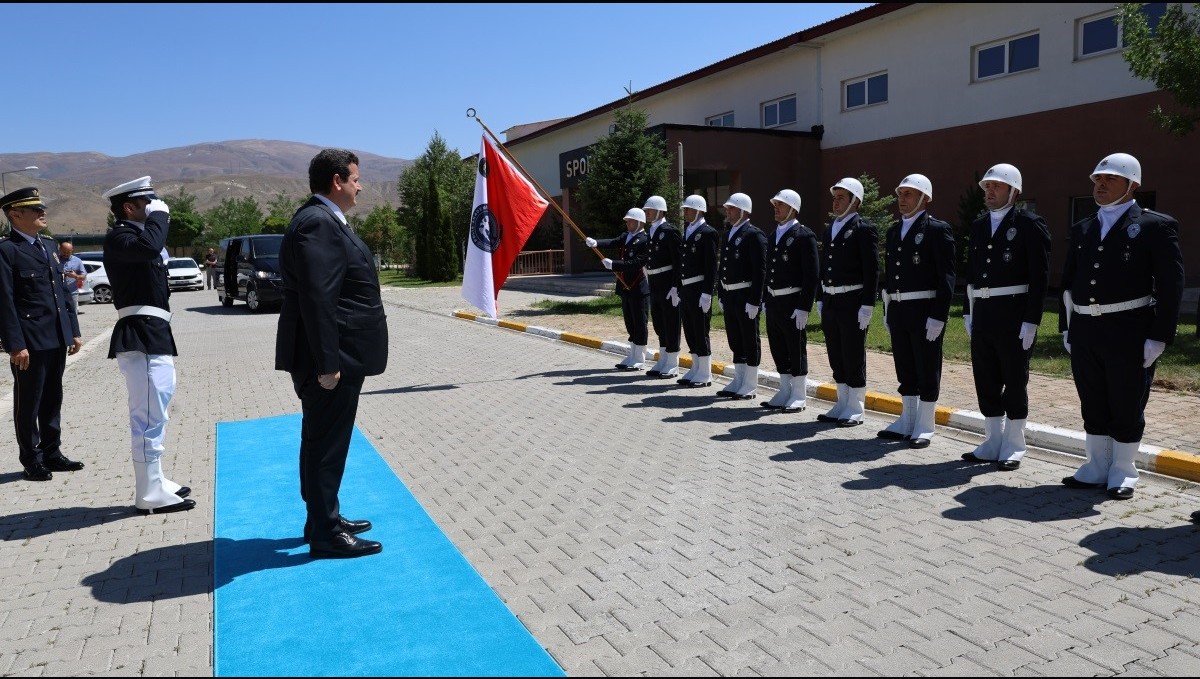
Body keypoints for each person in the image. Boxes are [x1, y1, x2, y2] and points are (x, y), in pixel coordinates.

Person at [276, 149, 387, 558]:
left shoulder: (319, 219)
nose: (360, 186)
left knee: (322, 440)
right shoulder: (318, 224)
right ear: (337, 181)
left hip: (334, 354)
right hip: (330, 359)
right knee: (326, 444)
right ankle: (325, 533)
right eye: (356, 178)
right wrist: (328, 363)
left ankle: (323, 517)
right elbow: (318, 300)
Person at [1059, 152, 1184, 500]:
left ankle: (1124, 469)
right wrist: (1066, 327)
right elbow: (1069, 282)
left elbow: (1171, 285)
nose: (1100, 184)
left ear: (1132, 184)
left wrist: (1159, 336)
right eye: (1097, 179)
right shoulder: (1083, 227)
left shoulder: (1154, 226)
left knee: (1127, 400)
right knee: (1092, 398)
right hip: (1086, 327)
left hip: (1129, 329)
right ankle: (1096, 466)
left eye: (1110, 179)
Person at [102, 177, 194, 514]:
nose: (154, 206)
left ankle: (156, 479)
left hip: (154, 330)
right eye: (147, 202)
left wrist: (154, 219)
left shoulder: (138, 238)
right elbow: (149, 248)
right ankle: (148, 493)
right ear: (129, 207)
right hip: (139, 333)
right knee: (147, 416)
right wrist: (161, 217)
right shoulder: (120, 238)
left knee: (159, 411)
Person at [960, 164, 1051, 472]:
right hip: (984, 311)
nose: (990, 191)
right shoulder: (978, 225)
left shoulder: (1029, 224)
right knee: (985, 377)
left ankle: (1013, 443)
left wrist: (1032, 319)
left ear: (1014, 191)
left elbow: (1040, 277)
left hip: (1014, 313)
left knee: (1014, 379)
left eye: (997, 186)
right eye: (987, 186)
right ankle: (992, 440)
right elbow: (970, 273)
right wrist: (968, 309)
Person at [0, 188, 84, 481]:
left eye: (41, 208)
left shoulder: (47, 246)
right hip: (29, 342)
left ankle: (52, 452)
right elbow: (4, 301)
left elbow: (61, 293)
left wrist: (72, 331)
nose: (41, 212)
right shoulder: (6, 250)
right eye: (34, 209)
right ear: (15, 214)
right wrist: (15, 344)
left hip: (56, 336)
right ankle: (31, 459)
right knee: (29, 402)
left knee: (52, 397)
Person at [877, 174, 955, 448]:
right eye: (900, 193)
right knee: (905, 366)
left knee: (926, 366)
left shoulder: (936, 229)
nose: (902, 199)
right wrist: (888, 308)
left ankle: (925, 424)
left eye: (909, 194)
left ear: (925, 198)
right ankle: (907, 420)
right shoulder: (893, 231)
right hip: (899, 307)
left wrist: (939, 315)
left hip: (924, 309)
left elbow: (947, 277)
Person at [816, 178, 878, 427]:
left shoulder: (864, 228)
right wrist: (820, 297)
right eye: (835, 196)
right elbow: (824, 266)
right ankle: (842, 402)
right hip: (832, 298)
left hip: (852, 300)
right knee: (836, 352)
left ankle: (855, 406)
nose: (836, 201)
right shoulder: (831, 228)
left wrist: (867, 305)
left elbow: (871, 270)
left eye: (841, 197)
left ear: (855, 201)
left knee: (853, 353)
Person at [761, 189, 818, 413]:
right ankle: (785, 390)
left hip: (793, 301)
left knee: (796, 348)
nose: (776, 208)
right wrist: (766, 298)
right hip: (774, 301)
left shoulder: (804, 235)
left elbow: (811, 275)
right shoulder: (773, 235)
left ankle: (799, 394)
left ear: (793, 208)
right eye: (775, 205)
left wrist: (804, 306)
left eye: (781, 205)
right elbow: (768, 271)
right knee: (778, 346)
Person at [716, 193, 768, 399]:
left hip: (746, 294)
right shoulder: (729, 233)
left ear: (744, 211)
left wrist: (756, 299)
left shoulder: (754, 235)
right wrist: (720, 292)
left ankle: (750, 383)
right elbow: (723, 267)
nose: (727, 212)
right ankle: (739, 378)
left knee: (749, 338)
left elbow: (760, 271)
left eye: (731, 208)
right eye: (727, 208)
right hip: (730, 294)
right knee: (735, 338)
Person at [585, 208, 650, 370]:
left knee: (639, 322)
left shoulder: (644, 240)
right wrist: (596, 243)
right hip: (625, 287)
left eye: (630, 221)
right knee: (630, 321)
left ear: (640, 222)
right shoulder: (626, 237)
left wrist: (614, 264)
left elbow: (637, 263)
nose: (627, 224)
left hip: (638, 287)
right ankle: (632, 354)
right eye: (627, 221)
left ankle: (640, 358)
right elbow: (613, 242)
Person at [675, 195, 719, 387]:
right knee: (690, 329)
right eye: (684, 209)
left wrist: (707, 292)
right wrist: (678, 287)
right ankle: (695, 367)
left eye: (688, 209)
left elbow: (711, 266)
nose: (685, 212)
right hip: (686, 288)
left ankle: (705, 372)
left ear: (699, 210)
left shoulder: (707, 232)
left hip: (699, 288)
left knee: (701, 330)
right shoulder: (688, 230)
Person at [640, 196, 684, 379]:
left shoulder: (670, 231)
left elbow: (678, 261)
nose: (647, 213)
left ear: (660, 210)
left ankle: (673, 362)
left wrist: (676, 286)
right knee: (659, 322)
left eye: (650, 209)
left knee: (671, 322)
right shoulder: (651, 231)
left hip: (667, 282)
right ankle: (664, 358)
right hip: (655, 282)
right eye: (646, 210)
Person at [58, 241, 87, 317]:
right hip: (58, 292)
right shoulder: (54, 260)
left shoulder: (77, 261)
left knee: (73, 314)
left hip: (72, 292)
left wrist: (75, 276)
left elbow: (83, 276)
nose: (66, 254)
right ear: (59, 249)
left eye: (68, 252)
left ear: (72, 250)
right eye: (64, 252)